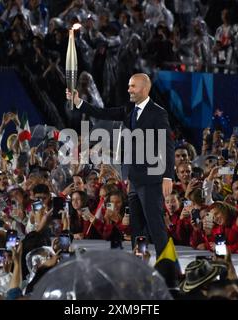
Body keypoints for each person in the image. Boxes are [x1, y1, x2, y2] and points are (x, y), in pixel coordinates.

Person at [66, 73, 174, 256]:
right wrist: (79, 102)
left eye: (133, 86)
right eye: (129, 86)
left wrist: (167, 176)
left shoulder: (158, 113)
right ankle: (140, 260)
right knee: (137, 228)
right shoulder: (129, 112)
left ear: (145, 89)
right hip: (134, 179)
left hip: (151, 179)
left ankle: (169, 265)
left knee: (156, 226)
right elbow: (103, 112)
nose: (129, 89)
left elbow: (167, 145)